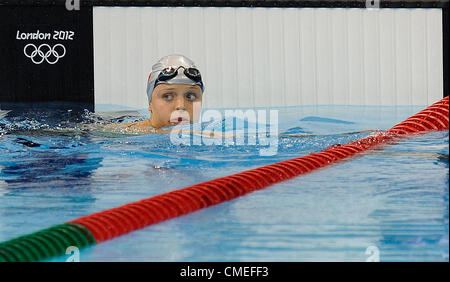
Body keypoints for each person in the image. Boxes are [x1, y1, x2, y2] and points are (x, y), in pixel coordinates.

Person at [111, 54, 204, 134]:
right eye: (168, 96)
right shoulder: (123, 132)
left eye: (191, 96)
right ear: (150, 103)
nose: (181, 106)